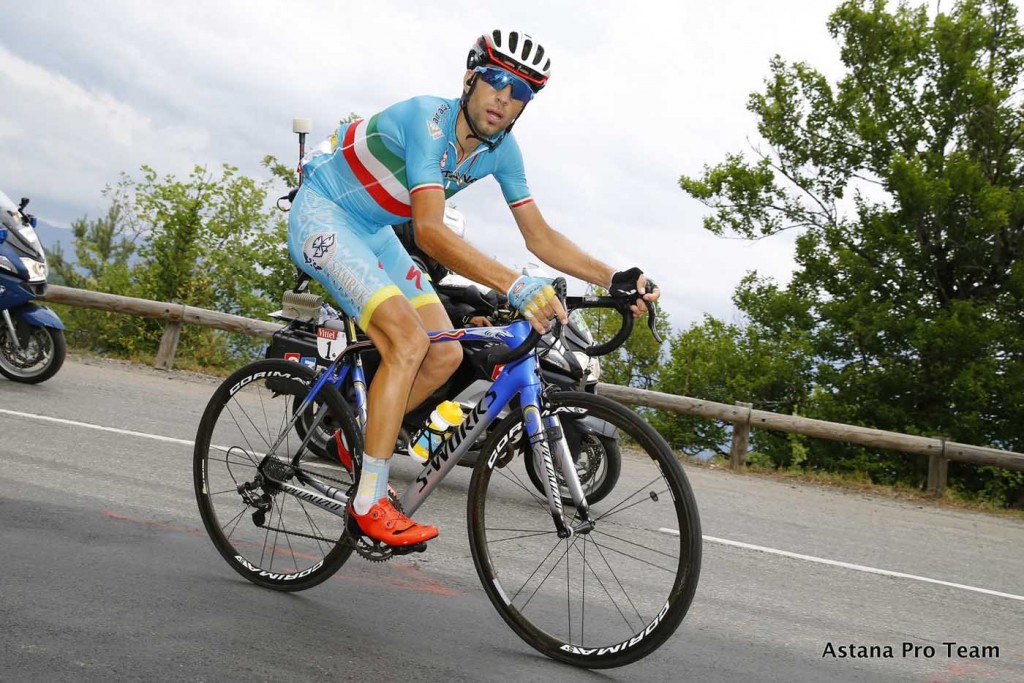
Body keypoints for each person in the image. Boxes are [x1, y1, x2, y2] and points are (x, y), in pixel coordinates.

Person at [287, 28, 659, 547]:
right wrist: (515, 285)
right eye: (496, 80)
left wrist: (613, 276)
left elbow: (540, 236)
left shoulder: (502, 152)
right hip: (324, 216)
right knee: (408, 341)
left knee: (443, 353)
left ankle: (360, 441)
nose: (504, 98)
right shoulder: (428, 121)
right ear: (470, 79)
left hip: (371, 232)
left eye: (521, 91)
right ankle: (369, 501)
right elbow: (431, 232)